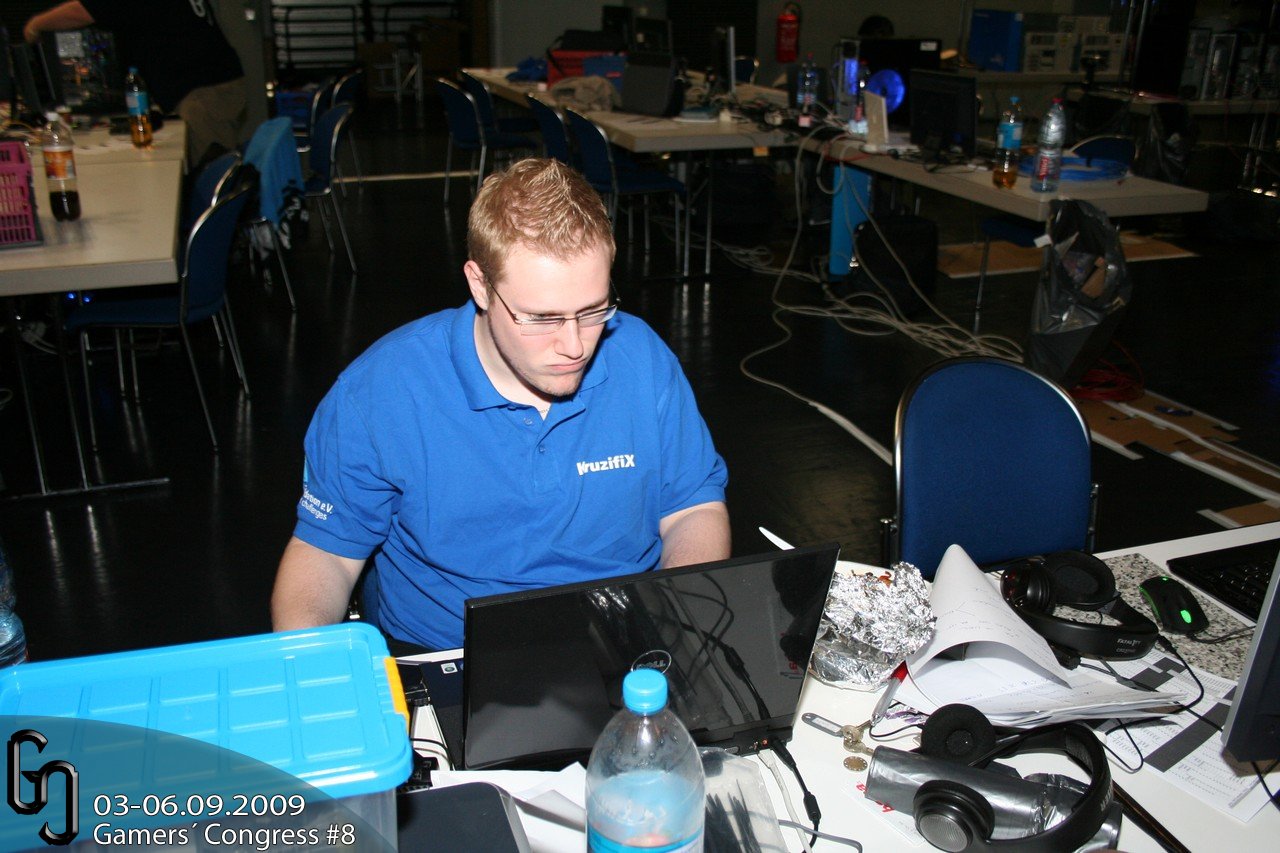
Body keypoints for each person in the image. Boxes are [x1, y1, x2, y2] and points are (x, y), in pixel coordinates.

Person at [271, 158, 730, 652]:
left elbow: (692, 508)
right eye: (541, 318)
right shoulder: (379, 393)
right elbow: (325, 556)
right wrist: (312, 670)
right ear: (480, 285)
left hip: (624, 638)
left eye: (593, 310)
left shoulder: (643, 359)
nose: (574, 345)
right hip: (452, 651)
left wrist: (677, 624)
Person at [24, 1, 247, 167]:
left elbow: (81, 12)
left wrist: (36, 25)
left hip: (205, 91)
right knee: (206, 168)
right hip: (209, 84)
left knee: (210, 175)